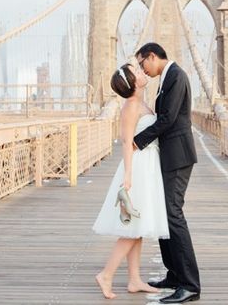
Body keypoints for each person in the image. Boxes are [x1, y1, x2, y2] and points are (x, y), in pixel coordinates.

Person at [92, 62, 169, 299]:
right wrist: (128, 175)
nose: (141, 71)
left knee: (139, 227)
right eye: (136, 72)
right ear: (133, 83)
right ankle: (106, 274)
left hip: (148, 165)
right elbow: (126, 142)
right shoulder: (131, 105)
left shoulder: (141, 102)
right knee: (132, 228)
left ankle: (134, 279)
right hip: (138, 168)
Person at [133, 42, 201, 303]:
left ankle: (190, 284)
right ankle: (173, 274)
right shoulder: (167, 76)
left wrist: (137, 141)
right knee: (165, 212)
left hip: (179, 156)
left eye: (142, 63)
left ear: (152, 56)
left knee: (173, 215)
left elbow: (168, 118)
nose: (142, 69)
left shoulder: (176, 76)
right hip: (171, 155)